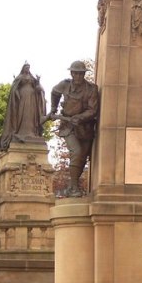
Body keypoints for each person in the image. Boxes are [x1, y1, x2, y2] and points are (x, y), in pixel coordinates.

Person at [42, 60, 99, 197]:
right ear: (71, 73)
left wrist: (79, 117)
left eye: (81, 74)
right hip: (68, 126)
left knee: (82, 158)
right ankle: (74, 188)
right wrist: (53, 109)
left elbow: (93, 110)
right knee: (76, 152)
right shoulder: (65, 85)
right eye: (76, 73)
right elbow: (54, 92)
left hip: (85, 127)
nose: (78, 77)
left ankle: (71, 186)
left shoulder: (91, 89)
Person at [0, 62, 46, 151]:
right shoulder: (19, 78)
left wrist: (38, 82)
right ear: (23, 68)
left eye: (29, 67)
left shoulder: (32, 78)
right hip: (22, 97)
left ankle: (32, 133)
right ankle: (20, 132)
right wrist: (16, 94)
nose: (27, 69)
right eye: (26, 67)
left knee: (31, 115)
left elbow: (38, 88)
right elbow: (14, 88)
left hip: (32, 98)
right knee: (22, 113)